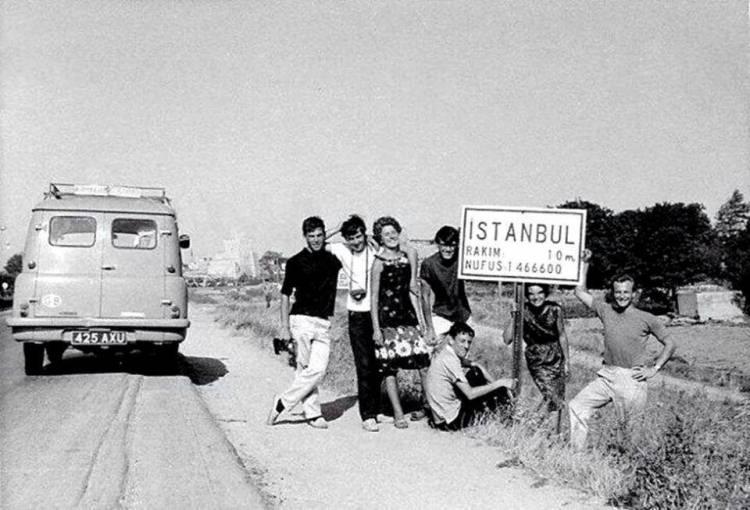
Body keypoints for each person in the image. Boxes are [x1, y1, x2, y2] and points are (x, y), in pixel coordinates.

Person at [568, 249, 676, 450]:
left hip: (631, 379)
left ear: (634, 294)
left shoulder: (646, 318)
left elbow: (670, 343)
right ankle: (577, 456)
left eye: (626, 292)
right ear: (613, 293)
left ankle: (629, 471)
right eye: (618, 292)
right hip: (606, 375)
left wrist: (655, 368)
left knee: (629, 432)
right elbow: (579, 292)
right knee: (577, 406)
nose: (622, 296)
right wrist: (585, 263)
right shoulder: (605, 310)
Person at [267, 216, 342, 429]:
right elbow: (284, 295)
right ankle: (313, 414)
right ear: (305, 237)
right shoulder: (295, 262)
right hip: (301, 319)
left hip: (323, 321)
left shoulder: (332, 260)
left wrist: (336, 229)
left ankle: (282, 402)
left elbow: (346, 246)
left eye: (320, 235)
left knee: (317, 370)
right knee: (304, 368)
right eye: (312, 236)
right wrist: (284, 327)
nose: (316, 240)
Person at [370, 216, 430, 429]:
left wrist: (421, 321)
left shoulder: (408, 257)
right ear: (380, 238)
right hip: (387, 320)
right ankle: (398, 413)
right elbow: (374, 298)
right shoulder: (378, 263)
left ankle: (429, 406)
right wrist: (376, 328)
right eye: (386, 234)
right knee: (390, 369)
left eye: (393, 232)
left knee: (423, 364)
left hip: (408, 318)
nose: (391, 236)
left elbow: (413, 290)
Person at [325, 215, 383, 432]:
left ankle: (377, 409)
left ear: (364, 233)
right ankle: (367, 415)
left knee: (380, 364)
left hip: (377, 312)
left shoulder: (375, 250)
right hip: (357, 314)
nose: (356, 242)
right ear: (346, 239)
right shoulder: (341, 250)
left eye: (359, 236)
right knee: (364, 364)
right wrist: (338, 226)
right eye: (351, 238)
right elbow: (318, 243)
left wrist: (373, 240)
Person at [502, 284, 569, 434]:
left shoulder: (555, 309)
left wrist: (567, 362)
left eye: (540, 293)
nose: (536, 297)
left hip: (556, 356)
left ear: (545, 294)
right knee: (549, 396)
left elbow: (562, 335)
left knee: (558, 400)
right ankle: (533, 427)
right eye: (531, 294)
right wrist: (514, 316)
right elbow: (507, 339)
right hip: (536, 357)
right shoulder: (523, 310)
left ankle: (552, 435)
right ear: (527, 295)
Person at [426, 322, 515, 431]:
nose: (466, 346)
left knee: (476, 372)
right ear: (451, 340)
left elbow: (475, 366)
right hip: (450, 420)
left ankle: (501, 405)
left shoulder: (446, 353)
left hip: (441, 416)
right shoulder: (450, 361)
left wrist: (478, 366)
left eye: (469, 342)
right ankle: (509, 420)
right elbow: (470, 394)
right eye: (462, 341)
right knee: (488, 386)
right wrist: (499, 384)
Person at [420, 226, 472, 345]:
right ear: (438, 244)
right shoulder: (429, 264)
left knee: (461, 355)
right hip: (441, 314)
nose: (448, 249)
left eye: (452, 245)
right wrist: (429, 327)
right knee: (432, 351)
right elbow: (425, 297)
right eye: (444, 245)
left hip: (463, 315)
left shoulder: (463, 259)